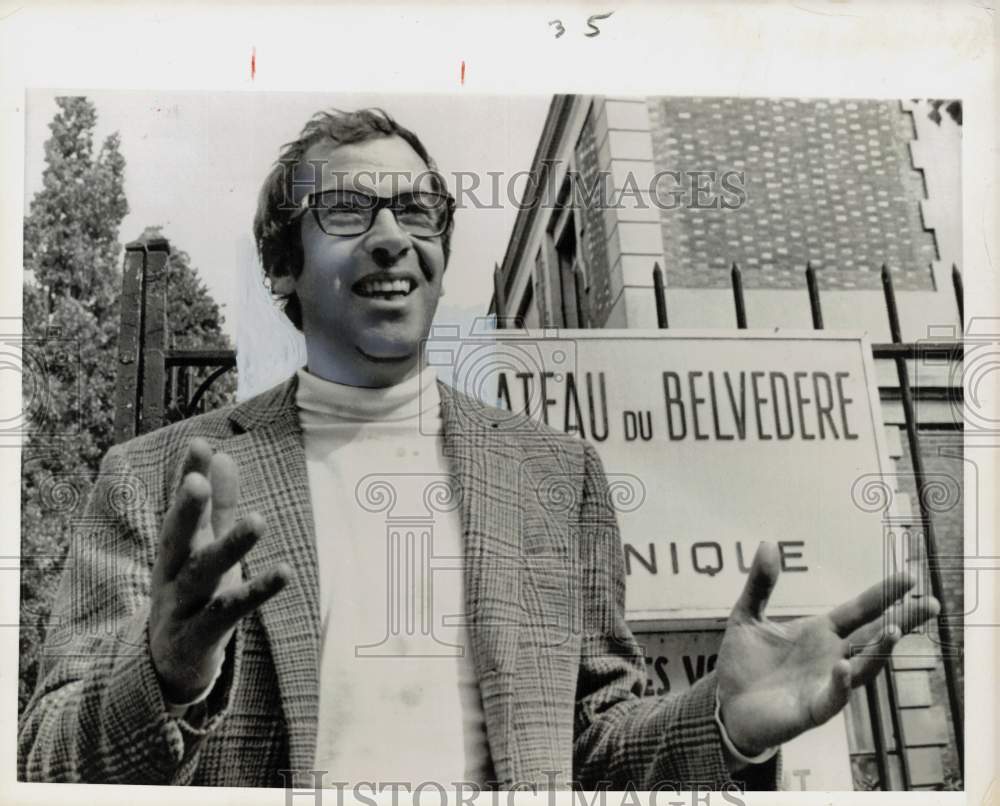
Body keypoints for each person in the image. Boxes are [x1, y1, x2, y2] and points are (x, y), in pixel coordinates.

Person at [18, 108, 938, 790]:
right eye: (346, 210)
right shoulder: (151, 481)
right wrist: (167, 671)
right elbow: (46, 759)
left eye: (417, 212)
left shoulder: (554, 476)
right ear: (283, 266)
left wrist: (727, 724)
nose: (391, 239)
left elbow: (595, 748)